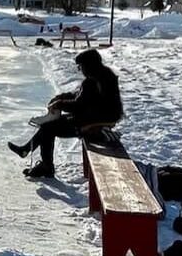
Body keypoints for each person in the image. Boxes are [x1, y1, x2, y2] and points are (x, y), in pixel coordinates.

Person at [7, 48, 123, 178]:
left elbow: (79, 105)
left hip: (94, 123)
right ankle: (29, 152)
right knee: (49, 125)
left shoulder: (94, 81)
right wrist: (60, 98)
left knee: (48, 128)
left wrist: (59, 104)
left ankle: (45, 165)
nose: (80, 70)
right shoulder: (102, 75)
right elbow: (79, 96)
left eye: (81, 67)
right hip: (96, 117)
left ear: (89, 65)